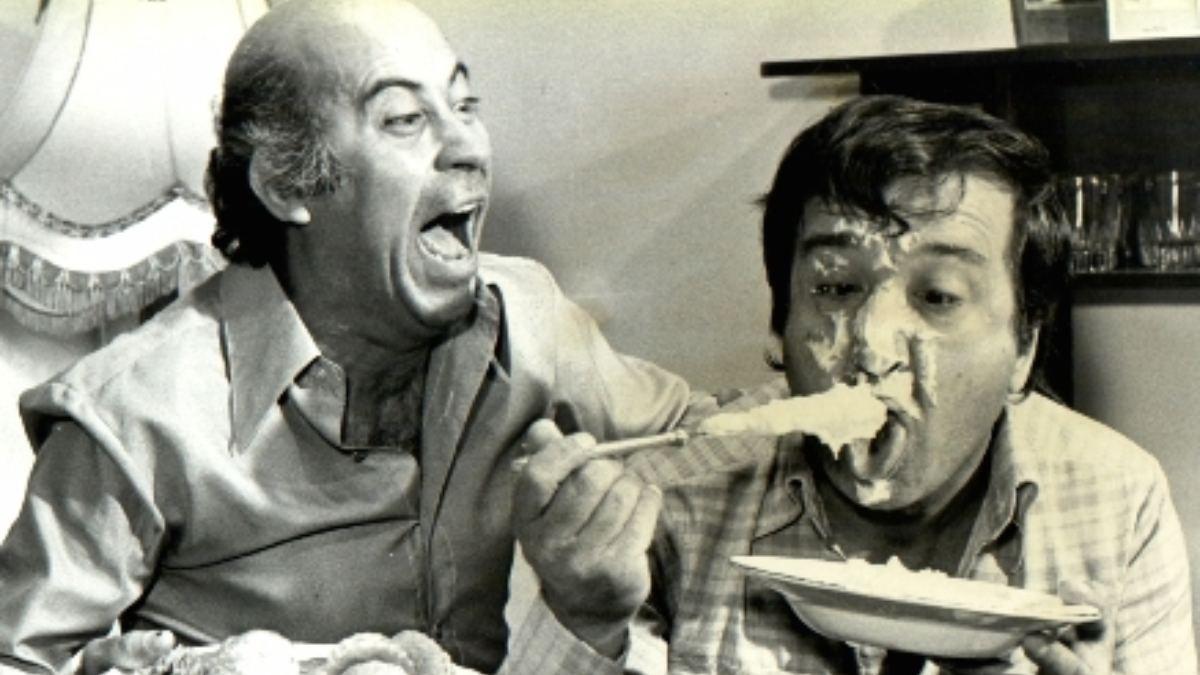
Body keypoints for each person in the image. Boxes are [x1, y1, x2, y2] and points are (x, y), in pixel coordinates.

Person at [0, 1, 698, 673]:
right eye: (405, 119)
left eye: (464, 106)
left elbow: (707, 442)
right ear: (285, 183)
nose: (468, 148)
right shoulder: (131, 414)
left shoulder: (527, 318)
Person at [512, 96, 1196, 674]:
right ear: (779, 323)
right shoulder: (675, 495)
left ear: (1024, 346)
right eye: (836, 288)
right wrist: (584, 619)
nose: (871, 345)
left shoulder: (1116, 498)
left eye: (938, 295)